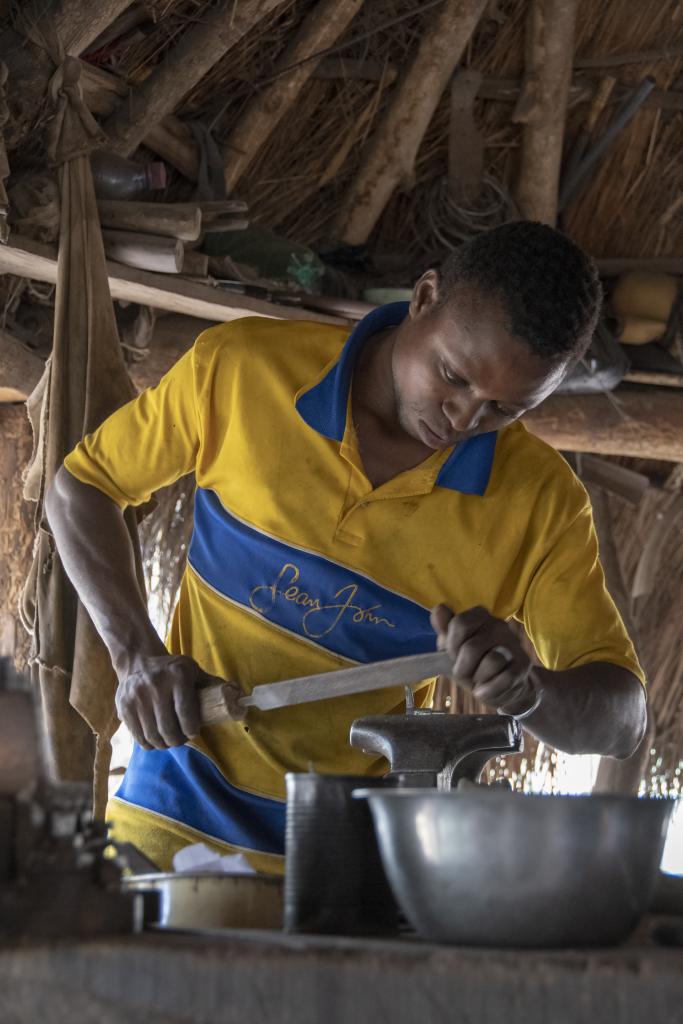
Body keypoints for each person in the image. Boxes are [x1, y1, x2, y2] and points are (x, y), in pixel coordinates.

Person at [46, 221, 646, 873]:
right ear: (423, 297)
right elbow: (82, 489)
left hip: (336, 860)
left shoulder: (541, 505)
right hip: (162, 825)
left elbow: (621, 718)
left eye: (505, 408)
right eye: (453, 375)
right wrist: (134, 653)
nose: (465, 419)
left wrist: (529, 691)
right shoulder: (243, 370)